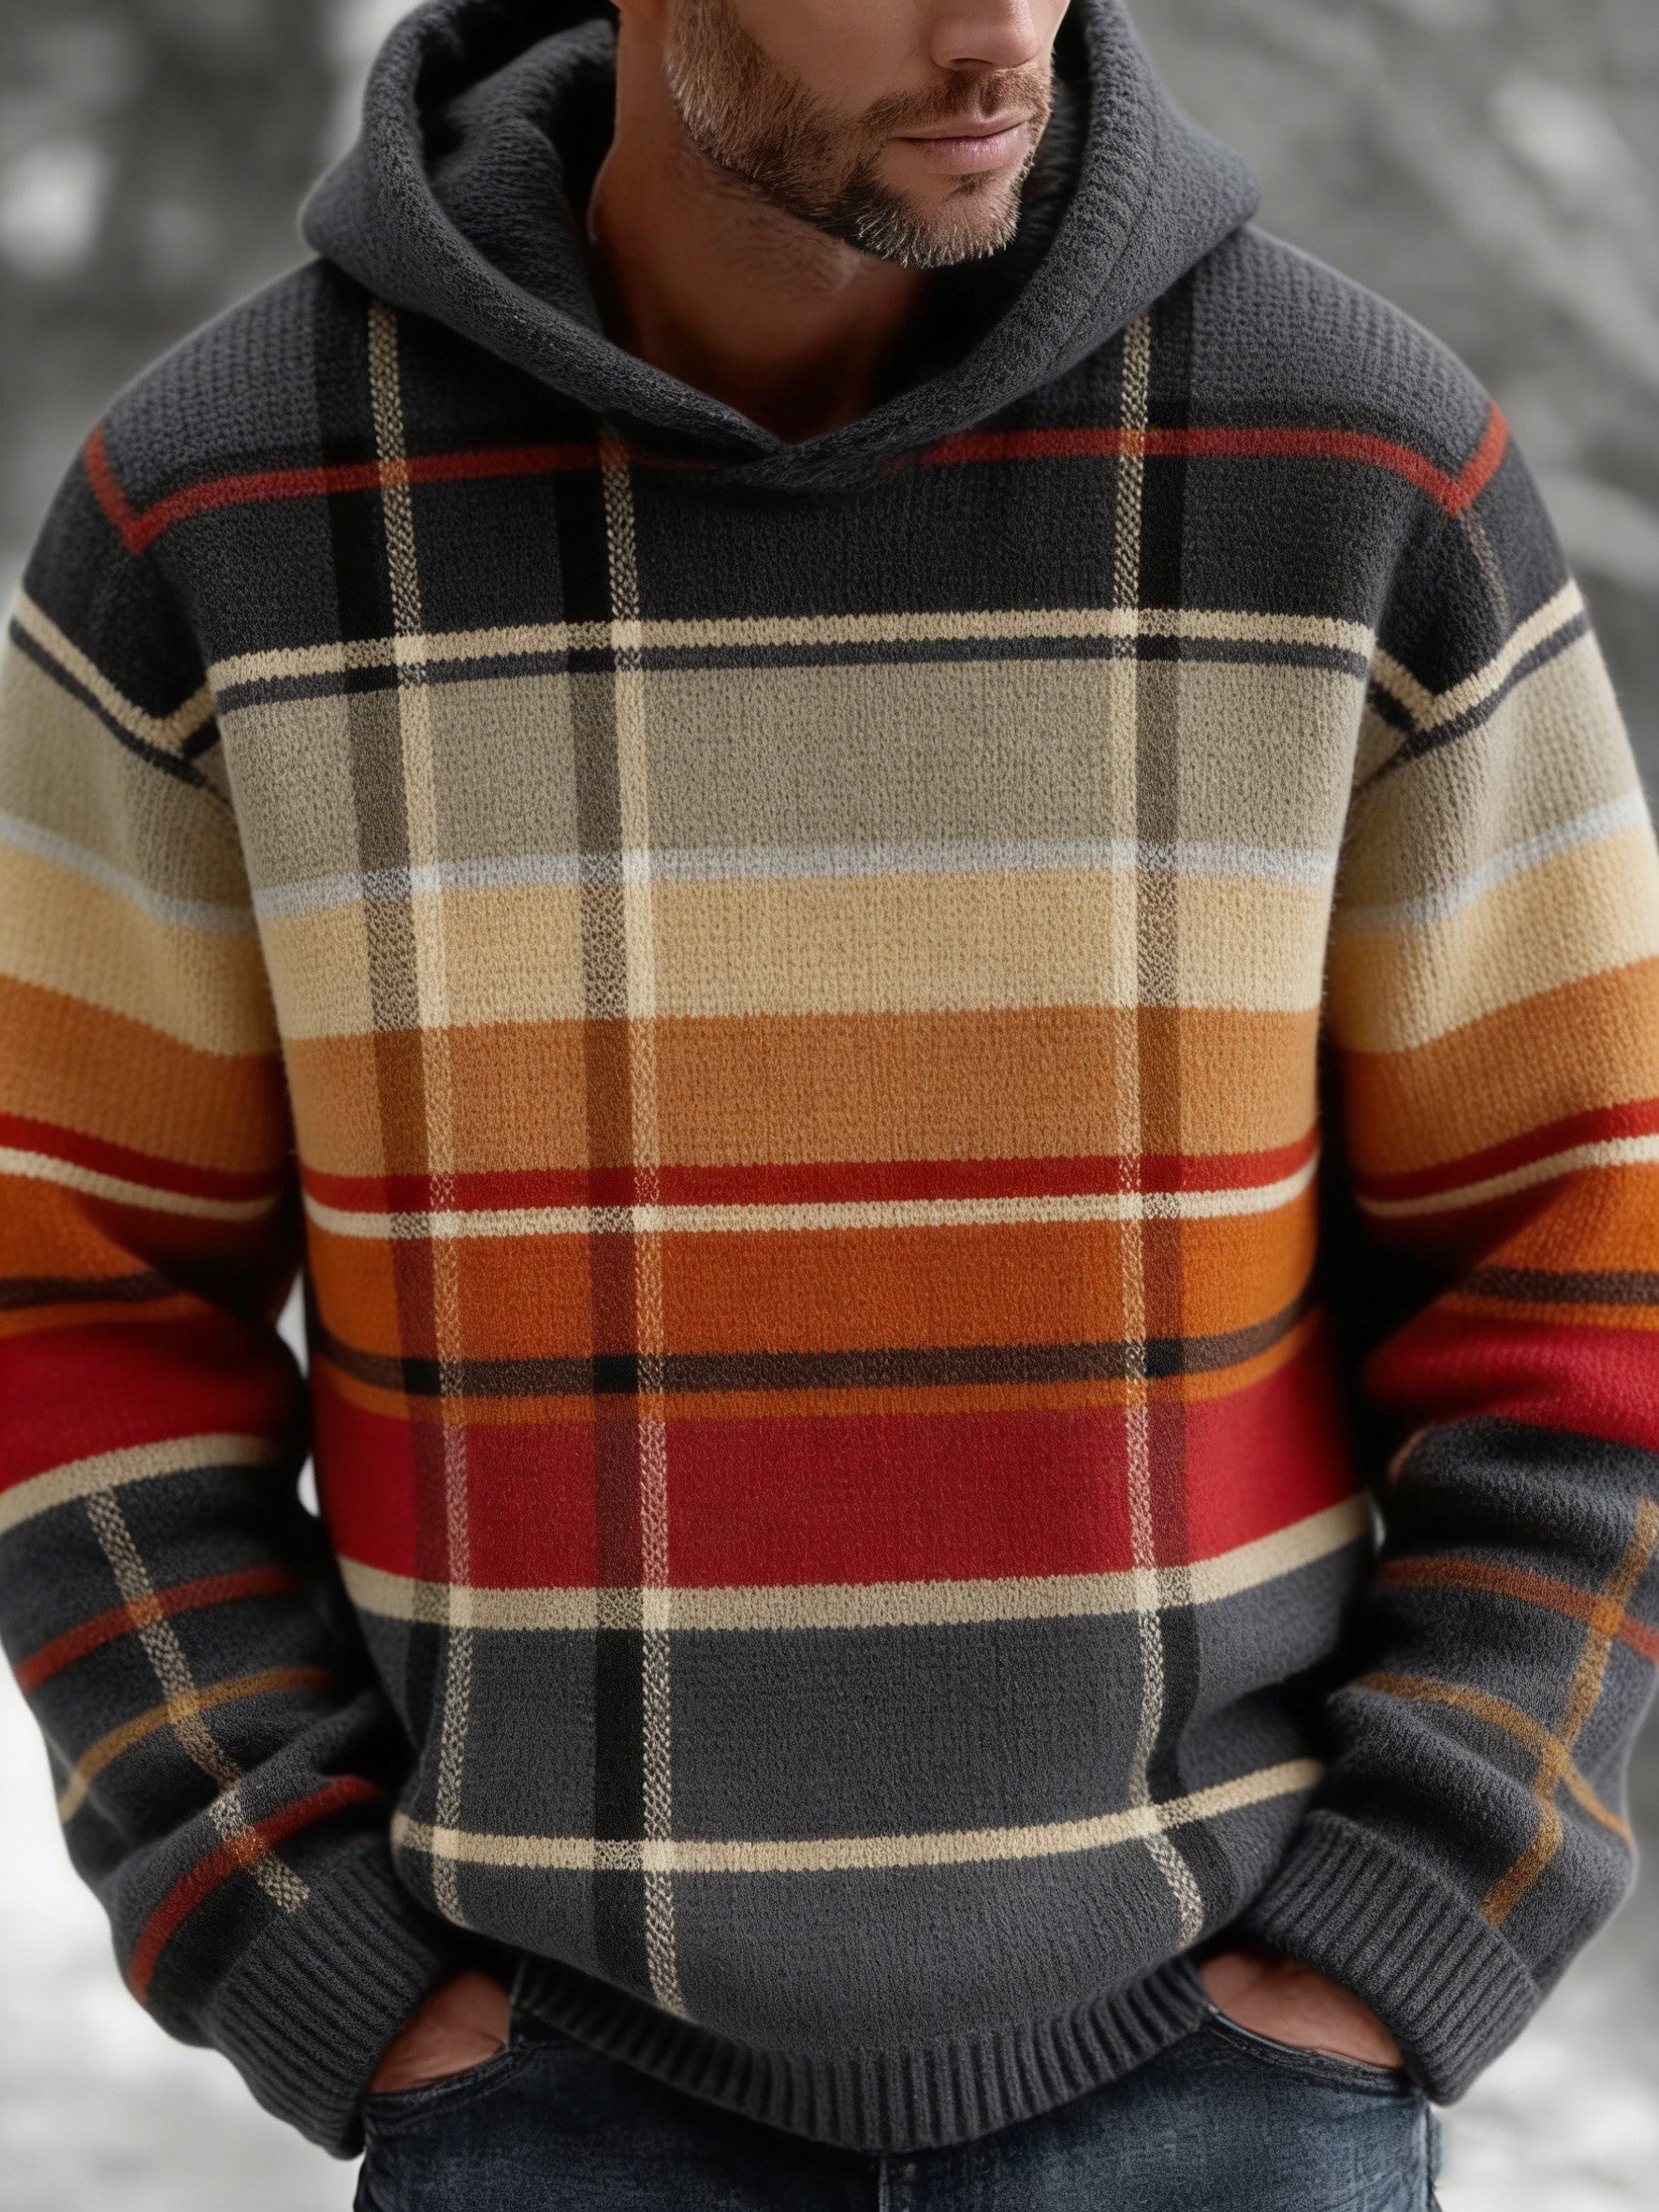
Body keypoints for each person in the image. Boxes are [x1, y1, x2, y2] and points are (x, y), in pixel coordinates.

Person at [1, 0, 1654, 2205]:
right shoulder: (224, 506)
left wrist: (1432, 1886)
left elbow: (1580, 1236)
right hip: (541, 2104)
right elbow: (72, 1286)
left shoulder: (1353, 468)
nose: (996, 36)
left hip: (1228, 2095)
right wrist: (282, 1913)